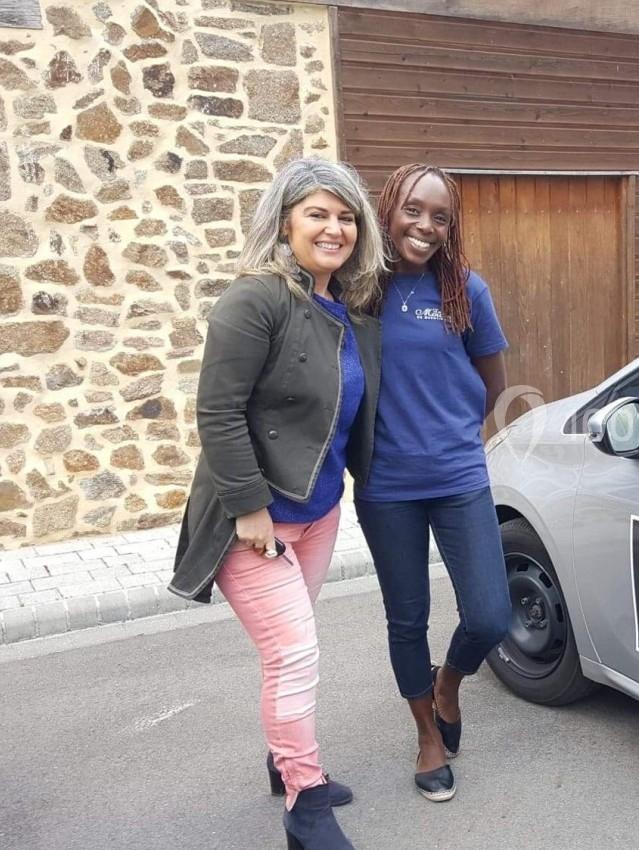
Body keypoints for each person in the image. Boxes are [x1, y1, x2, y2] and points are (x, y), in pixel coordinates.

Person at [169, 157, 384, 850]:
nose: (335, 227)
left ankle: (284, 758)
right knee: (294, 655)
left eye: (346, 215)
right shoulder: (255, 299)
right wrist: (248, 507)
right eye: (318, 213)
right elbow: (218, 411)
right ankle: (305, 803)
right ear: (284, 221)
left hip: (319, 512)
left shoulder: (339, 308)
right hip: (255, 523)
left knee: (287, 653)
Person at [355, 164, 511, 803]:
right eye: (413, 210)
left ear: (452, 227)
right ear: (389, 209)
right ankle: (426, 734)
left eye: (440, 216)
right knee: (407, 618)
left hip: (457, 476)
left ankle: (448, 682)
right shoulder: (357, 291)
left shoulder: (465, 291)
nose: (425, 225)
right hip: (385, 486)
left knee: (490, 615)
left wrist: (451, 438)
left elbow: (494, 384)